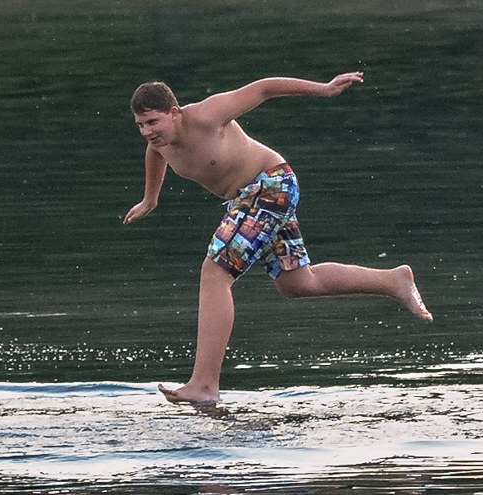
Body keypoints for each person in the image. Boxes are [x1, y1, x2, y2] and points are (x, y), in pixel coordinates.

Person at [123, 73, 432, 405]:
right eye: (141, 125)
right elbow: (154, 158)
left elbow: (263, 88)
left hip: (269, 185)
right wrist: (149, 199)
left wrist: (324, 89)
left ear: (174, 112)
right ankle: (393, 280)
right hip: (250, 198)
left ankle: (204, 384)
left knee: (215, 273)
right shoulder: (159, 145)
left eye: (153, 122)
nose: (148, 132)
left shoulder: (208, 115)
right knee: (296, 283)